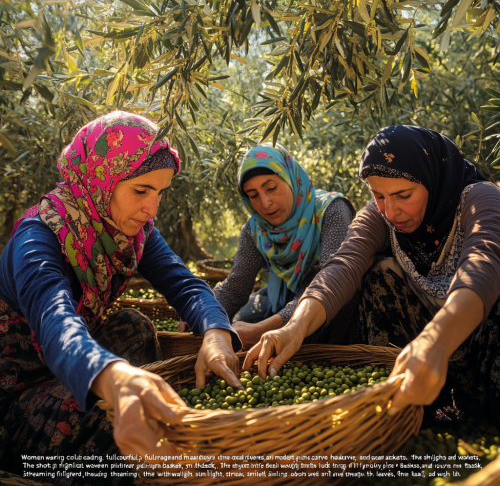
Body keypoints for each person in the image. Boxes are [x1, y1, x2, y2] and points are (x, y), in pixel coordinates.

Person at [0, 111, 242, 478]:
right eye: (141, 191)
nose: (152, 208)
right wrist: (115, 380)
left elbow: (185, 283)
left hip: (70, 368)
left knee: (135, 325)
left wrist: (216, 333)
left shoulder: (133, 233)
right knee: (108, 419)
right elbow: (56, 323)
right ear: (101, 178)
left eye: (160, 192)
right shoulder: (37, 238)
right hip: (17, 391)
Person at [244, 126, 500, 421]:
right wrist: (295, 327)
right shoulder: (379, 216)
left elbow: (483, 264)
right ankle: (412, 409)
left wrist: (435, 342)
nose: (390, 211)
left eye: (403, 195)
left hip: (480, 341)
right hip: (424, 354)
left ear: (432, 177)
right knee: (377, 275)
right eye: (378, 195)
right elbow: (344, 264)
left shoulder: (480, 198)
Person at [210, 144, 355, 349]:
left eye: (271, 188)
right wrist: (204, 313)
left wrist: (267, 328)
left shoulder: (330, 211)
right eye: (253, 195)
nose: (265, 202)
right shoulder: (257, 230)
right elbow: (236, 288)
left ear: (291, 179)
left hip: (334, 307)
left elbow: (332, 284)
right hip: (284, 304)